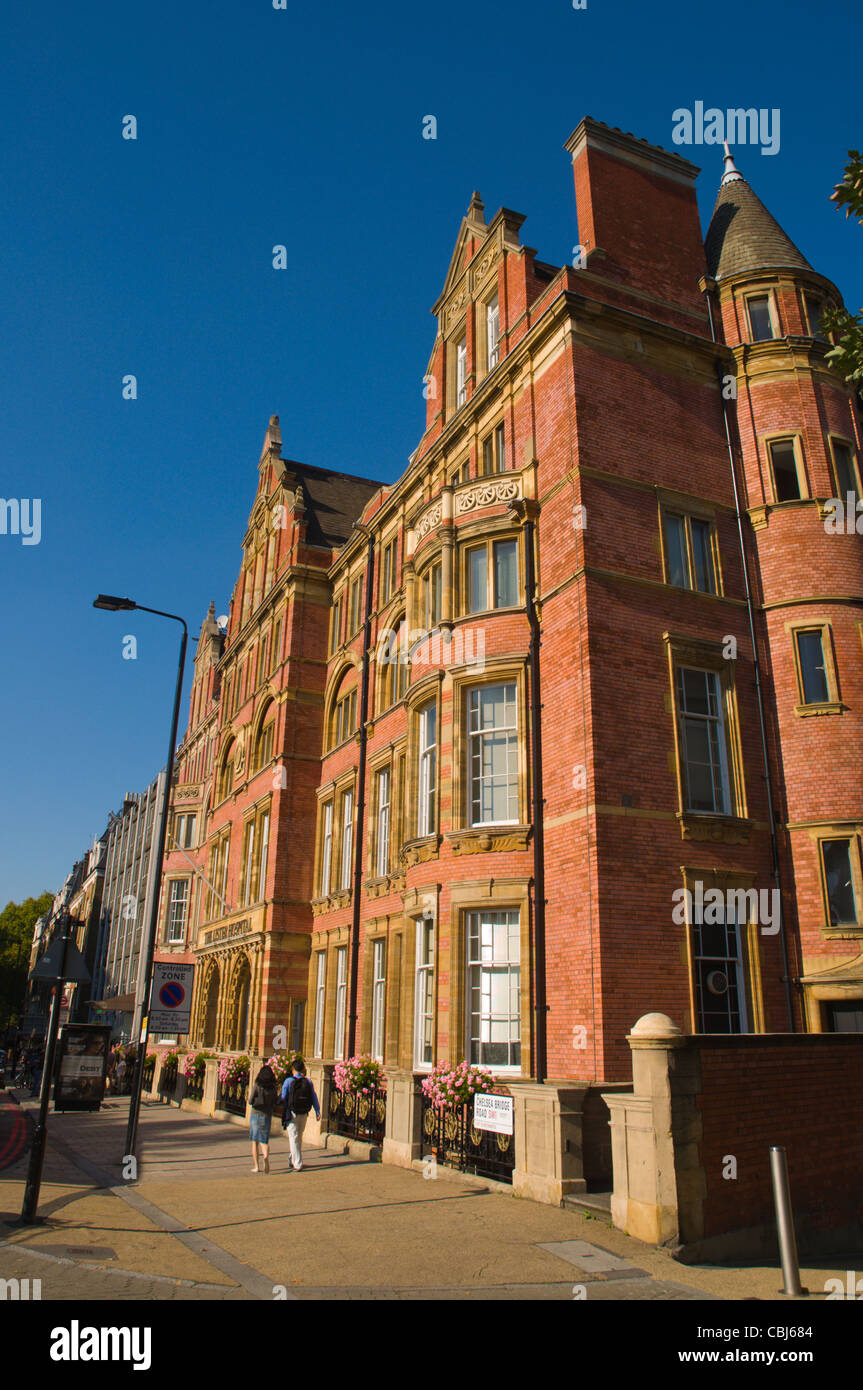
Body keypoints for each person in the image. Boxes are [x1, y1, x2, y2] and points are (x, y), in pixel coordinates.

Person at [279, 1058, 320, 1172]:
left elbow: (283, 1097)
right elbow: (314, 1097)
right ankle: (293, 1157)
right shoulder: (308, 1081)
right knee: (299, 1136)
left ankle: (297, 1163)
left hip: (293, 1112)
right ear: (302, 1069)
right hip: (304, 1112)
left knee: (293, 1137)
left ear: (293, 1069)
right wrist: (317, 1111)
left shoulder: (288, 1081)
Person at [248, 1064, 278, 1174]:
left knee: (254, 1141)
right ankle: (265, 1156)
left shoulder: (257, 1085)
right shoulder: (273, 1087)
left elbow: (250, 1100)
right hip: (267, 1114)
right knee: (264, 1140)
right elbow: (275, 1101)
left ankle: (256, 1166)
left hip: (256, 1113)